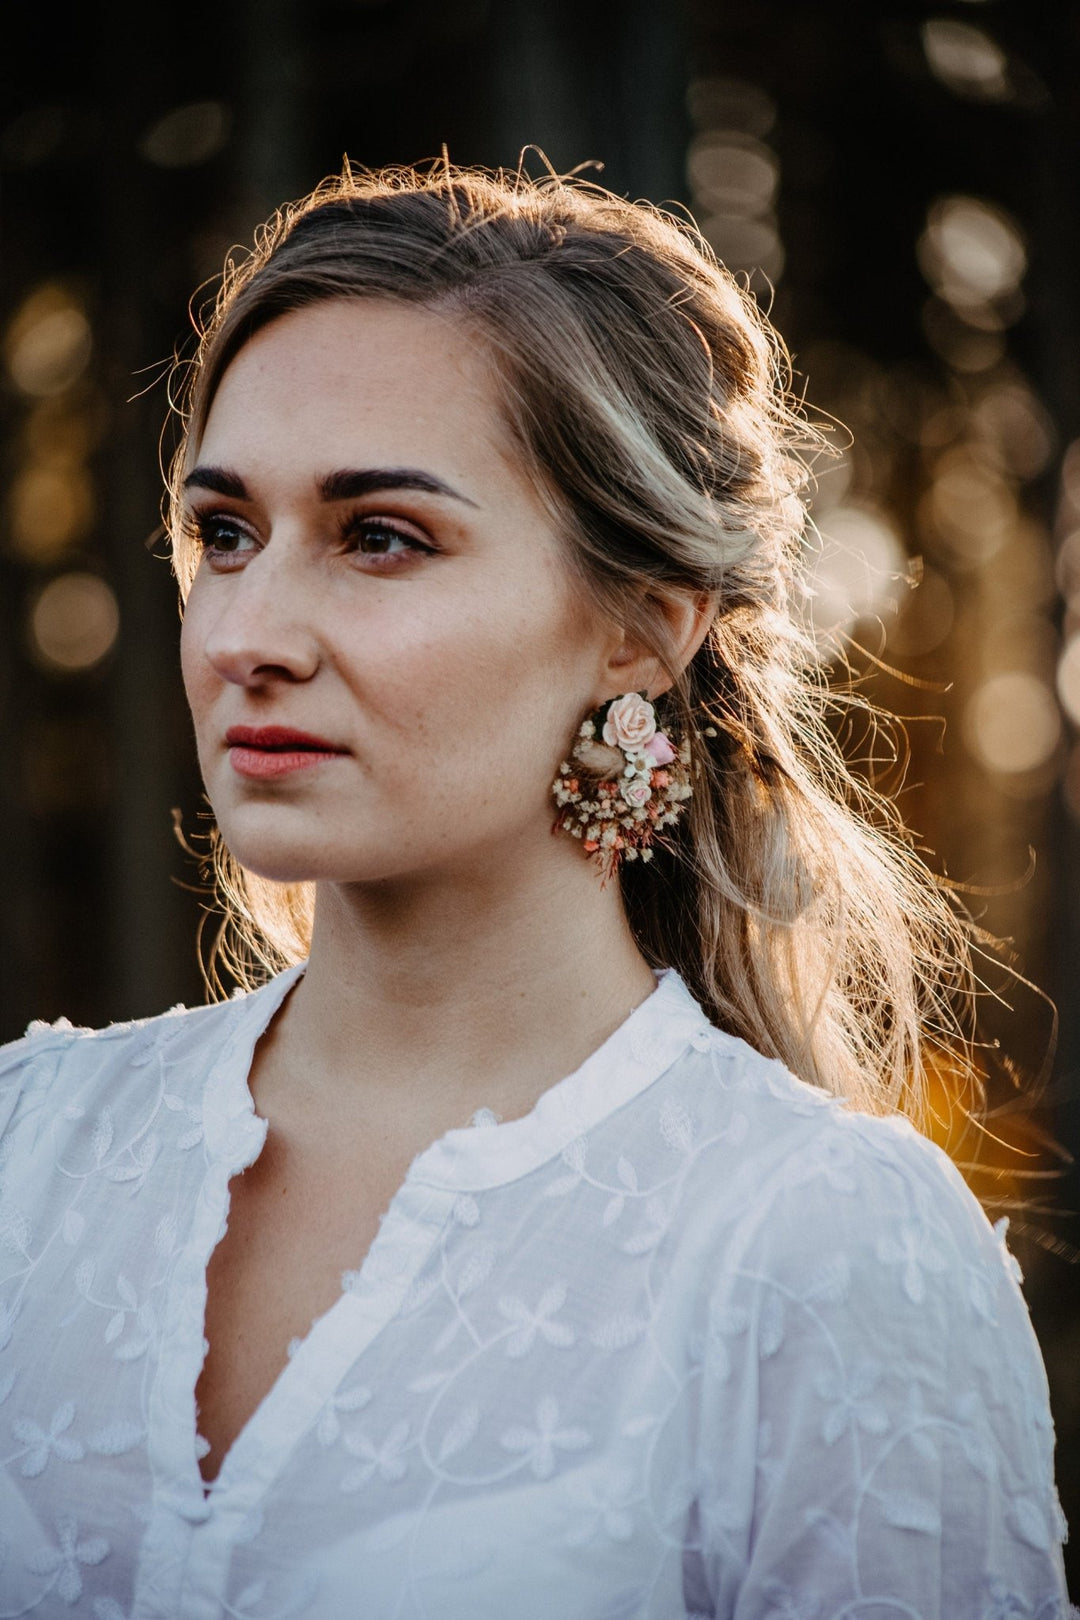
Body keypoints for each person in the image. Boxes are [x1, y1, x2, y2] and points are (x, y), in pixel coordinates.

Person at [0, 161, 1071, 1619]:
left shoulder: (821, 1248)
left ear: (641, 626)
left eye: (380, 536)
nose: (249, 630)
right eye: (225, 535)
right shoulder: (25, 1150)